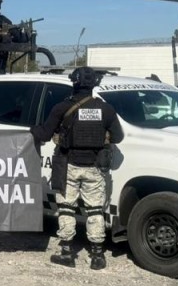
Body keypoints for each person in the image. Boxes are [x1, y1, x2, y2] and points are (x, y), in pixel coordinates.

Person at [30, 66, 124, 270]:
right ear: (94, 84)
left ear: (74, 82)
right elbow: (118, 137)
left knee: (66, 208)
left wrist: (32, 130)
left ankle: (66, 253)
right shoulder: (106, 109)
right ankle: (97, 255)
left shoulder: (62, 108)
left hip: (68, 166)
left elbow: (44, 134)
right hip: (95, 167)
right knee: (95, 209)